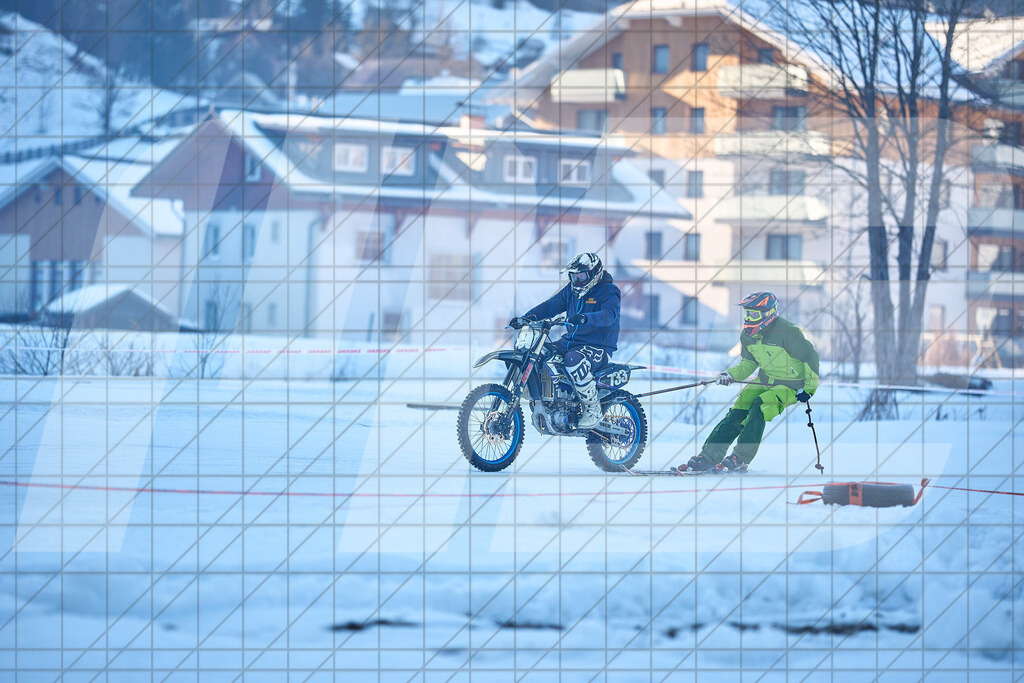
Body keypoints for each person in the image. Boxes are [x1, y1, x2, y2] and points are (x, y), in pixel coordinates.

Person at [676, 291, 819, 473]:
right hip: (765, 381)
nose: (749, 318)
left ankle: (740, 458)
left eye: (754, 314)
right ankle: (709, 457)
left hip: (791, 385)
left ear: (768, 313)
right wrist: (730, 375)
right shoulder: (748, 335)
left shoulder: (788, 332)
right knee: (737, 413)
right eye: (747, 313)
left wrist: (809, 388)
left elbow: (811, 357)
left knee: (759, 407)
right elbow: (748, 364)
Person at [509, 252, 621, 429]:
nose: (577, 280)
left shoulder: (609, 290)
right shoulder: (571, 290)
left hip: (598, 347)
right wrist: (526, 318)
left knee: (573, 359)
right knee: (539, 353)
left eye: (581, 275)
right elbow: (550, 306)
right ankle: (546, 400)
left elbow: (609, 315)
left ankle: (593, 409)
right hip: (570, 342)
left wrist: (585, 318)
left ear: (594, 273)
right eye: (573, 276)